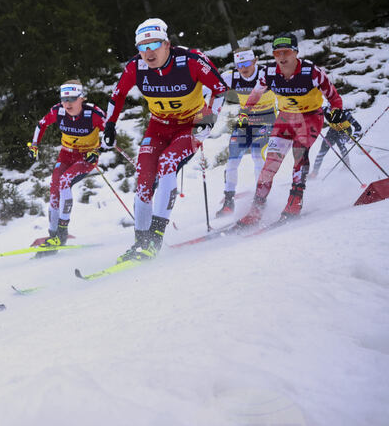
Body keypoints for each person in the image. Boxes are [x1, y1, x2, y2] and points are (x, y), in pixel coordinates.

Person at [103, 18, 228, 261]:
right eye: (142, 47)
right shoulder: (136, 67)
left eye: (154, 45)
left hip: (189, 126)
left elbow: (220, 89)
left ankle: (155, 239)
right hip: (158, 127)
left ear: (167, 44)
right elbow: (117, 96)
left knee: (167, 163)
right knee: (144, 177)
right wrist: (110, 124)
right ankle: (141, 242)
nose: (148, 52)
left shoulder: (190, 61)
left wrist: (206, 121)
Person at [236, 32, 344, 226]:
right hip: (285, 118)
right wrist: (244, 113)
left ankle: (295, 201)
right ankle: (256, 210)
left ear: (295, 52)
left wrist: (336, 111)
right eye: (277, 53)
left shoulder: (311, 72)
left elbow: (334, 97)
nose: (281, 57)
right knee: (271, 163)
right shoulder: (269, 72)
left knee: (299, 154)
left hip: (310, 117)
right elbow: (256, 94)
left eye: (286, 52)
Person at [27, 80, 107, 251]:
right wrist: (34, 145)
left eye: (72, 99)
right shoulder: (58, 111)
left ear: (81, 98)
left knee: (65, 181)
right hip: (66, 154)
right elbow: (42, 124)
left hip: (86, 157)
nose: (68, 103)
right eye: (64, 99)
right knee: (55, 187)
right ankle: (53, 234)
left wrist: (98, 151)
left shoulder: (93, 114)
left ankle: (61, 233)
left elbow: (110, 135)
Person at [216, 47, 277, 216]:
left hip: (267, 119)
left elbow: (288, 85)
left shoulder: (266, 74)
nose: (243, 68)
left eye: (247, 63)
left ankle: (260, 199)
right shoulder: (231, 76)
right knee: (232, 160)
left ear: (255, 61)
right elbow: (209, 88)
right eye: (239, 64)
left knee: (257, 155)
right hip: (245, 121)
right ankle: (228, 202)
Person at [310, 108, 361, 177]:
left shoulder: (345, 114)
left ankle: (347, 165)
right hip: (333, 131)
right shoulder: (325, 111)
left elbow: (358, 127)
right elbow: (313, 113)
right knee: (323, 149)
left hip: (345, 131)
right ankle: (314, 172)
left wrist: (354, 137)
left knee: (340, 143)